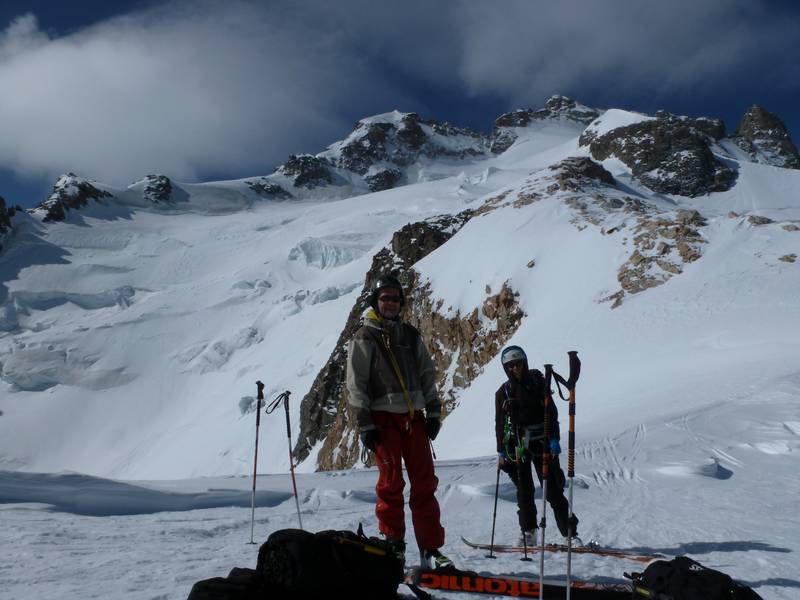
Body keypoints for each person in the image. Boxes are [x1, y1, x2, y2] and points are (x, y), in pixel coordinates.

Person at [346, 273, 453, 569]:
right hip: (382, 421)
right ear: (375, 302)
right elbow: (356, 384)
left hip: (413, 419)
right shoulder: (364, 337)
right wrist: (365, 423)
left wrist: (433, 412)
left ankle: (430, 549)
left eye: (395, 298)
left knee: (424, 483)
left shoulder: (410, 335)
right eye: (385, 298)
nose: (390, 303)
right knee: (391, 485)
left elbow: (427, 375)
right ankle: (394, 547)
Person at [495, 345, 581, 546]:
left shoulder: (538, 382)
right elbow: (500, 423)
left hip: (542, 442)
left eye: (517, 364)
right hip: (517, 446)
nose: (514, 369)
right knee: (524, 491)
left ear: (524, 363)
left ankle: (569, 534)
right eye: (509, 366)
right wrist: (501, 451)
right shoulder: (503, 392)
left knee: (553, 491)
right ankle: (529, 532)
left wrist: (554, 439)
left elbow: (551, 413)